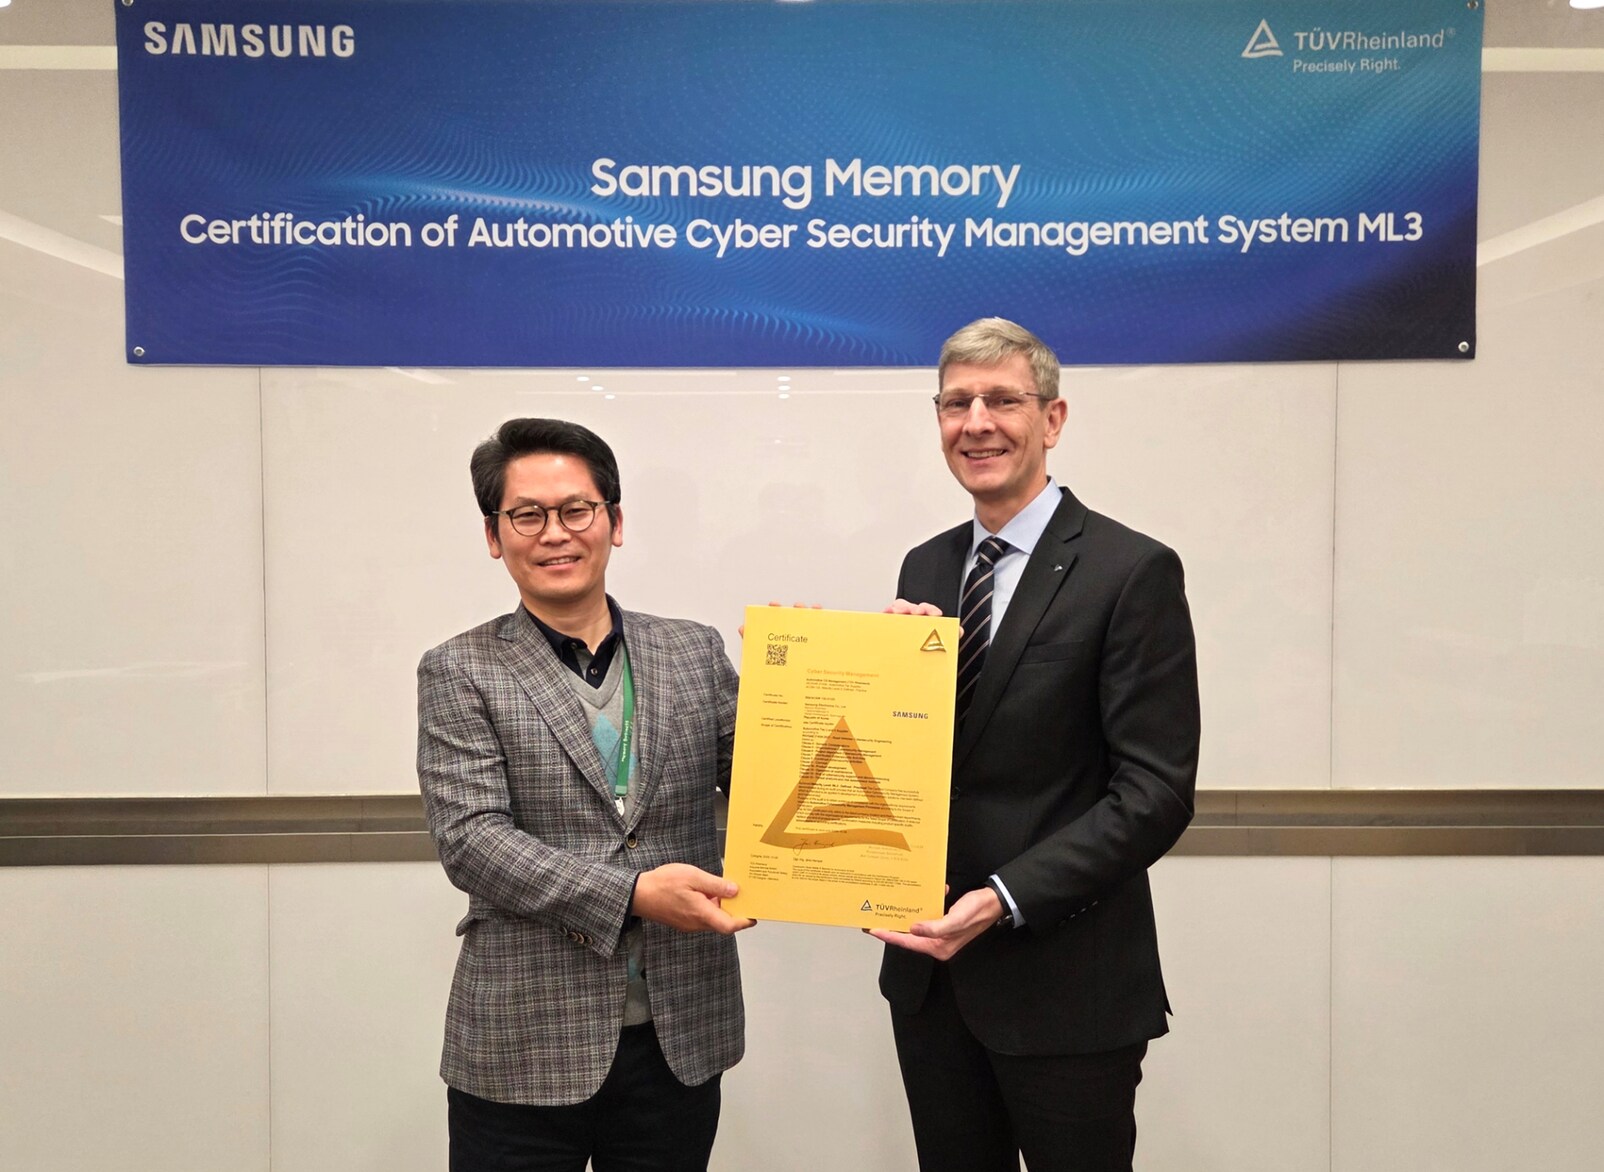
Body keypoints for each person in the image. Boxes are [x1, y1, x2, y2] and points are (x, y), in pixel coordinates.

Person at [872, 319, 1201, 1172]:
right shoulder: (924, 568)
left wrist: (1002, 897)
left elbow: (1155, 792)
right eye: (956, 403)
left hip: (1068, 985)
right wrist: (870, 680)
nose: (976, 422)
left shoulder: (1131, 570)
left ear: (1052, 419)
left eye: (1002, 400)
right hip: (932, 983)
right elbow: (923, 763)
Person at [416, 418, 752, 1172]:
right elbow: (472, 841)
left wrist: (859, 664)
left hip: (679, 1036)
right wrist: (633, 893)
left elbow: (775, 786)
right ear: (494, 535)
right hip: (524, 1042)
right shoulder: (460, 669)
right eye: (527, 515)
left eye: (576, 510)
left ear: (614, 522)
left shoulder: (693, 651)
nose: (555, 533)